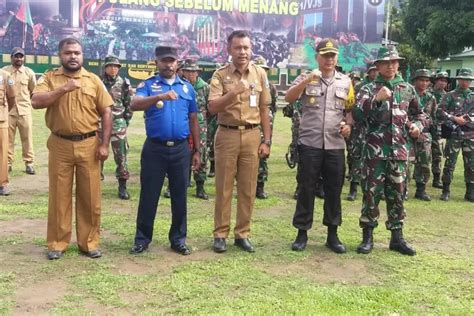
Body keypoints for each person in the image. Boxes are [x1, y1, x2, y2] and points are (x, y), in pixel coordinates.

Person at [31, 37, 113, 260]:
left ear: (82, 55)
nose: (73, 56)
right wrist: (63, 89)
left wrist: (104, 144)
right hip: (60, 144)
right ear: (61, 55)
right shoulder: (49, 77)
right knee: (59, 196)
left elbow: (106, 111)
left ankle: (89, 243)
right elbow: (36, 101)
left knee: (90, 196)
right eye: (68, 52)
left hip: (89, 144)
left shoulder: (93, 80)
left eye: (77, 52)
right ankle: (57, 243)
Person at [353, 46, 427, 256]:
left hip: (399, 152)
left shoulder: (406, 88)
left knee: (398, 195)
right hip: (374, 154)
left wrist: (417, 127)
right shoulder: (368, 88)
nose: (391, 66)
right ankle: (367, 237)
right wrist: (376, 99)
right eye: (386, 62)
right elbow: (357, 115)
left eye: (394, 62)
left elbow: (420, 114)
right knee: (371, 194)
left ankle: (397, 238)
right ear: (378, 65)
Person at [129, 46, 200, 256]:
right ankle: (142, 239)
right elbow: (135, 104)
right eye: (164, 61)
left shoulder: (187, 88)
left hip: (180, 150)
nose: (168, 64)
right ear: (156, 63)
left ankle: (178, 239)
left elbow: (194, 119)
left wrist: (197, 150)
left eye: (172, 61)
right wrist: (159, 98)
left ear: (178, 63)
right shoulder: (149, 85)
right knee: (149, 195)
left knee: (180, 196)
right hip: (155, 150)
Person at [285, 38, 354, 254]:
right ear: (317, 57)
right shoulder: (307, 78)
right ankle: (301, 233)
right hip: (310, 143)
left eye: (333, 55)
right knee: (306, 188)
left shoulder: (346, 82)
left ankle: (332, 235)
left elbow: (350, 111)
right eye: (325, 55)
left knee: (334, 190)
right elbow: (289, 97)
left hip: (335, 144)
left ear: (337, 58)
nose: (329, 59)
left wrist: (349, 126)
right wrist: (305, 82)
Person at [208, 30, 271, 253]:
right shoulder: (219, 75)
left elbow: (265, 108)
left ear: (251, 49)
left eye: (246, 47)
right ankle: (220, 234)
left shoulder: (260, 74)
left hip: (253, 135)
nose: (242, 52)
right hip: (227, 134)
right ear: (229, 50)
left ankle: (242, 233)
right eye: (238, 47)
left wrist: (267, 140)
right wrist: (234, 92)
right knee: (224, 186)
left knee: (248, 187)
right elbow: (213, 107)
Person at [100, 55, 133, 200]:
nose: (113, 69)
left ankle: (122, 187)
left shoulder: (124, 84)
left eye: (115, 66)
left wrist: (125, 122)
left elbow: (129, 105)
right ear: (105, 68)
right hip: (99, 125)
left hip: (118, 124)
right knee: (96, 156)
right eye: (110, 66)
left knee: (121, 157)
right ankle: (94, 184)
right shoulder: (98, 83)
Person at [439, 68, 474, 202]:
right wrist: (454, 118)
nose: (465, 82)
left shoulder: (473, 97)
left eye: (468, 80)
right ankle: (446, 190)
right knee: (450, 163)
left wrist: (469, 119)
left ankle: (470, 192)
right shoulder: (450, 95)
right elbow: (440, 112)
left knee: (471, 165)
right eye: (463, 79)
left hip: (470, 135)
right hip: (454, 134)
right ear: (458, 80)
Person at [2, 47, 36, 174]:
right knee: (7, 139)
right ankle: (8, 163)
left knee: (27, 138)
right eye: (16, 56)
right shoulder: (3, 72)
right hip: (8, 111)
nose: (19, 59)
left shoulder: (29, 73)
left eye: (21, 56)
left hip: (24, 111)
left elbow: (33, 90)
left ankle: (29, 163)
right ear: (11, 57)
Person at [181, 59, 210, 200]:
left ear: (197, 72)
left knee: (201, 154)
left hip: (200, 126)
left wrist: (203, 123)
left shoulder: (204, 87)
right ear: (183, 72)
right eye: (188, 71)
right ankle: (178, 184)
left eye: (193, 71)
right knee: (180, 154)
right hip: (182, 125)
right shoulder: (179, 86)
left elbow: (211, 110)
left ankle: (200, 186)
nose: (191, 74)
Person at [253, 56, 277, 199]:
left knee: (262, 156)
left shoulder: (271, 88)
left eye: (264, 70)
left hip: (265, 126)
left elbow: (272, 108)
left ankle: (260, 187)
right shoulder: (249, 86)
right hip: (251, 124)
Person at [412, 69, 437, 201]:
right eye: (421, 80)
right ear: (415, 81)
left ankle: (420, 189)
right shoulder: (408, 94)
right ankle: (402, 189)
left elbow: (433, 117)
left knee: (424, 162)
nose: (424, 83)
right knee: (406, 162)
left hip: (425, 134)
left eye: (427, 80)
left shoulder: (431, 98)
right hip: (408, 131)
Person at [430, 71, 449, 189]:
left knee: (437, 154)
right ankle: (418, 178)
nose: (442, 82)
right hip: (426, 128)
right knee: (419, 155)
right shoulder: (427, 93)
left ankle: (436, 179)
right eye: (440, 80)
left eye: (445, 81)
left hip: (439, 129)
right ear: (435, 81)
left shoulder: (448, 95)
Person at [0, 69, 16, 196]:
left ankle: (2, 184)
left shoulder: (5, 75)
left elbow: (11, 98)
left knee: (2, 152)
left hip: (1, 120)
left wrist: (3, 113)